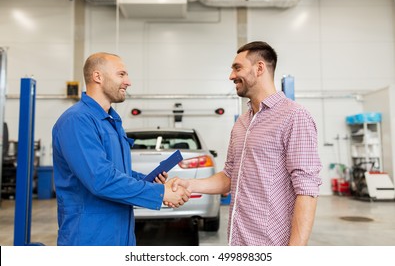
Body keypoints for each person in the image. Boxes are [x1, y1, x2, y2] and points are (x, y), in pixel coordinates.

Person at [171, 41, 322, 246]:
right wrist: (190, 184)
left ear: (259, 68)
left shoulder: (294, 117)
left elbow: (306, 190)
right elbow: (229, 176)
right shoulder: (242, 123)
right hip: (239, 242)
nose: (231, 76)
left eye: (237, 68)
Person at [52, 52, 190, 246]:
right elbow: (100, 179)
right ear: (98, 76)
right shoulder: (77, 121)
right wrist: (160, 193)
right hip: (88, 237)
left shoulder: (112, 121)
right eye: (121, 74)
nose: (128, 81)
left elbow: (115, 171)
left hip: (121, 234)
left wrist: (147, 180)